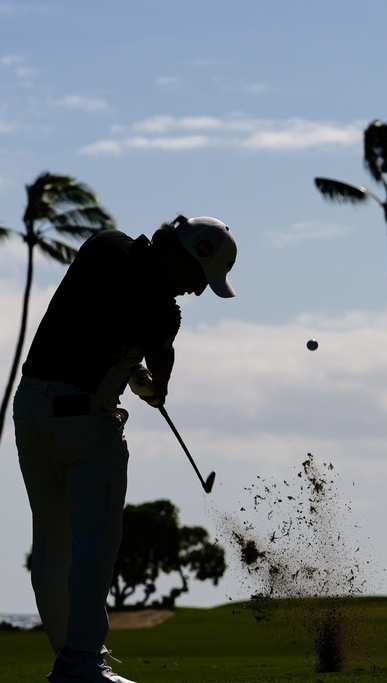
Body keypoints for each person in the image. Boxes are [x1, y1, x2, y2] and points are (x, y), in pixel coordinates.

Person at [14, 215, 238, 683]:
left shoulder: (104, 245)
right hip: (84, 425)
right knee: (95, 542)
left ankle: (70, 661)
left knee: (53, 546)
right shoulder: (162, 306)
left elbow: (96, 320)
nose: (196, 292)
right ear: (187, 256)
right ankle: (81, 662)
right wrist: (157, 386)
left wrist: (124, 372)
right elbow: (161, 355)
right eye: (200, 279)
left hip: (32, 410)